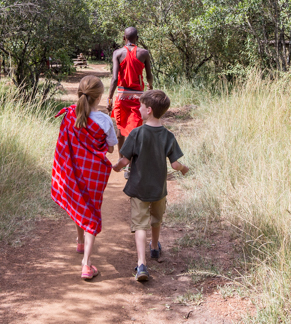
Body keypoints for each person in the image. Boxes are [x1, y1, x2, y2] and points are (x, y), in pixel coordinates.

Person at [112, 90, 189, 282]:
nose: (138, 109)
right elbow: (174, 164)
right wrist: (184, 169)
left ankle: (141, 264)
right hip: (158, 189)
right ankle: (154, 247)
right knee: (156, 218)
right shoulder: (168, 136)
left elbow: (124, 160)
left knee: (140, 224)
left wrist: (114, 167)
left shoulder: (136, 133)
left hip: (138, 188)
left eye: (140, 106)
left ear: (149, 110)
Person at [52, 75, 118, 280]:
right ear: (99, 97)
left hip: (72, 172)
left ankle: (80, 242)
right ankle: (87, 265)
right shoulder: (105, 120)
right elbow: (110, 148)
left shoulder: (71, 115)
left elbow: (63, 145)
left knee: (80, 205)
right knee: (91, 211)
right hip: (93, 174)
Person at [107, 27, 153, 175]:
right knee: (135, 131)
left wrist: (109, 98)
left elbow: (114, 79)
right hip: (138, 97)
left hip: (121, 96)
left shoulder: (117, 53)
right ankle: (130, 165)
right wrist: (150, 88)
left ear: (123, 38)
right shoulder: (144, 53)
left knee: (121, 130)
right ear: (137, 38)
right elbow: (149, 75)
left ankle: (122, 160)